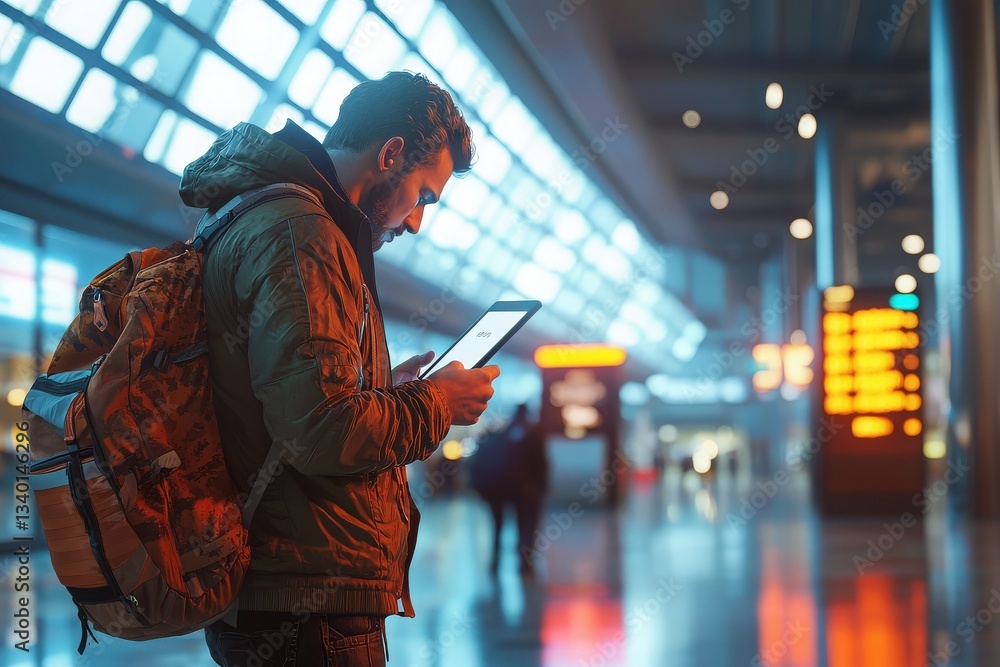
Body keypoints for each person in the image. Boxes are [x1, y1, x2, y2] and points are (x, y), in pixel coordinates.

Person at [183, 72, 500, 666]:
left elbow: (292, 405)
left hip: (288, 593)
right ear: (390, 154)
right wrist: (438, 404)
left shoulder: (265, 217)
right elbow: (322, 430)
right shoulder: (302, 234)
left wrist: (389, 393)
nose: (414, 222)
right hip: (306, 607)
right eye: (424, 196)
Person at [469, 404, 549, 576]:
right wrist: (540, 488)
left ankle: (495, 561)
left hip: (499, 489)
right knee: (526, 527)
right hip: (525, 490)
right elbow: (542, 464)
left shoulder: (503, 433)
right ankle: (525, 564)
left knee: (497, 525)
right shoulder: (534, 433)